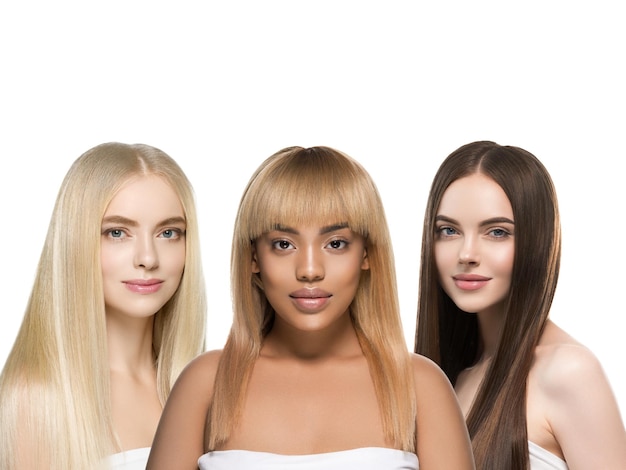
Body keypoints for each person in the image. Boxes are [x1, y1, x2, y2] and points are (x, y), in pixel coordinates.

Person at [146, 145, 474, 469]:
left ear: (367, 254)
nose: (310, 269)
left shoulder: (422, 386)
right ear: (254, 257)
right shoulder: (205, 383)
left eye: (335, 243)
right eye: (284, 244)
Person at [414, 140, 626, 469]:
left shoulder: (568, 371)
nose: (467, 254)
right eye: (449, 230)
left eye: (497, 232)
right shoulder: (447, 375)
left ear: (536, 241)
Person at [0, 142, 207, 470]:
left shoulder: (202, 387)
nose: (148, 258)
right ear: (77, 241)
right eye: (117, 232)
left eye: (168, 232)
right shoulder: (38, 397)